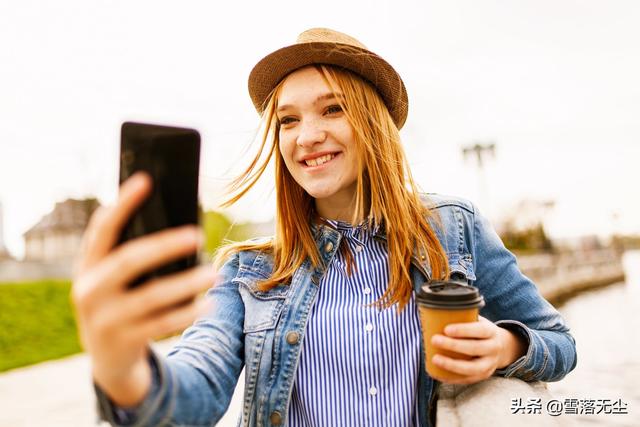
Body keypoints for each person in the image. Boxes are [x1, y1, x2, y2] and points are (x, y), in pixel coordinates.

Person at [72, 28, 577, 427]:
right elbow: (197, 383)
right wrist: (123, 371)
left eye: (332, 109)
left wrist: (507, 347)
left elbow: (558, 342)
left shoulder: (453, 229)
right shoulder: (249, 270)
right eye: (287, 121)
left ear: (372, 123)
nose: (307, 136)